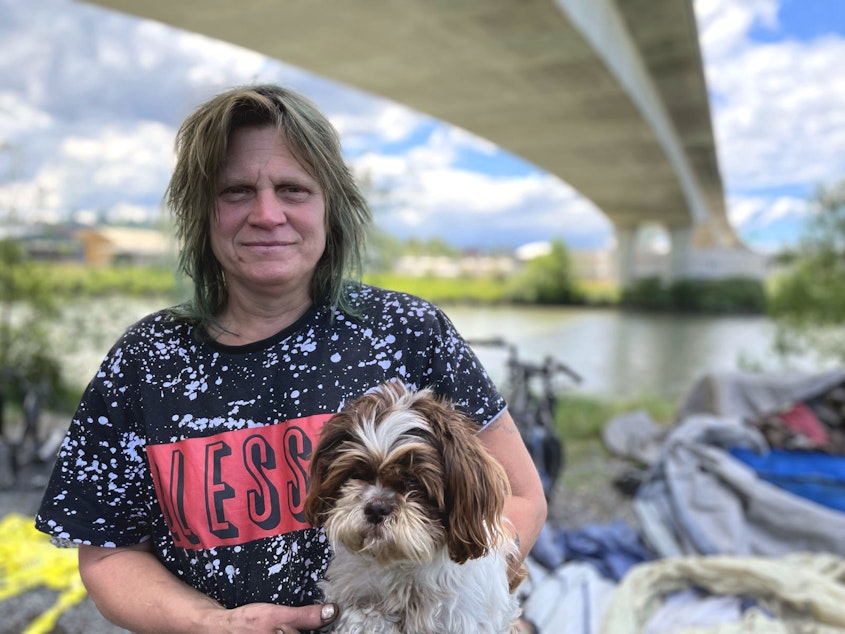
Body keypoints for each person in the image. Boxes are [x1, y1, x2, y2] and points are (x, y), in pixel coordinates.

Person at [35, 84, 547, 633]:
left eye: (292, 188)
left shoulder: (410, 332)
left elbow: (519, 497)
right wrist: (209, 623)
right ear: (201, 213)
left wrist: (460, 597)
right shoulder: (145, 362)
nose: (267, 213)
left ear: (331, 207)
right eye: (235, 191)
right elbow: (108, 554)